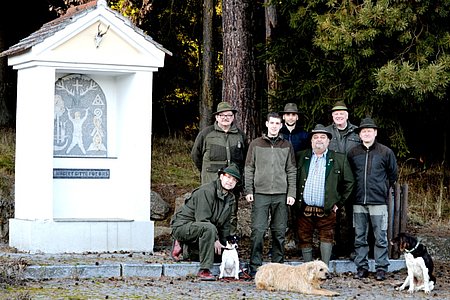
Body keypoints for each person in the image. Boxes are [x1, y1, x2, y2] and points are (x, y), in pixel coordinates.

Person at [244, 112, 297, 276]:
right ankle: (255, 266)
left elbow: (291, 170)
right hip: (261, 193)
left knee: (279, 232)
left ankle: (278, 267)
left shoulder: (286, 145)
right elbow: (249, 168)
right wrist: (249, 190)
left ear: (281, 126)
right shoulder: (255, 144)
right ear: (266, 124)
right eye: (272, 123)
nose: (274, 126)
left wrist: (292, 192)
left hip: (281, 194)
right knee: (258, 231)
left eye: (277, 123)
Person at [294, 124, 355, 266]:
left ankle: (324, 269)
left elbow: (349, 182)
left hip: (327, 209)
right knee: (304, 237)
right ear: (311, 141)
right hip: (304, 209)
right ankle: (308, 269)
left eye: (323, 137)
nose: (319, 140)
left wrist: (338, 203)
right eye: (315, 137)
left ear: (328, 141)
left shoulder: (339, 159)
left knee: (327, 237)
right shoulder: (301, 156)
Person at [170, 164, 241, 281]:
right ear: (221, 177)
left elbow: (225, 225)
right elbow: (202, 220)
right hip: (183, 227)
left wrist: (227, 247)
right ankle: (204, 270)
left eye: (234, 180)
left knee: (219, 256)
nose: (230, 181)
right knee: (208, 229)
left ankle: (186, 248)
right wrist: (215, 240)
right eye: (228, 177)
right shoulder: (206, 191)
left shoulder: (230, 198)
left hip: (204, 230)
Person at [348, 117, 398, 281]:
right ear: (360, 134)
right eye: (364, 131)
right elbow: (349, 175)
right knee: (360, 236)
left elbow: (393, 175)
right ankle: (361, 267)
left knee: (380, 237)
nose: (366, 134)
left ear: (375, 133)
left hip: (378, 202)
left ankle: (381, 268)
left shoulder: (385, 152)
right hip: (358, 201)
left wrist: (381, 189)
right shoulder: (353, 152)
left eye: (370, 131)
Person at [191, 101, 247, 235]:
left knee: (231, 213)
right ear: (216, 117)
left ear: (233, 117)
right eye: (222, 115)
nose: (225, 118)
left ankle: (229, 244)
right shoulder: (206, 134)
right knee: (209, 212)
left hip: (232, 184)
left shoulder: (240, 135)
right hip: (211, 183)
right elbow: (195, 155)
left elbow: (245, 158)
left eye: (228, 115)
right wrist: (206, 173)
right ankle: (209, 242)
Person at [325, 101, 361, 258]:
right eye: (336, 114)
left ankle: (353, 248)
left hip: (353, 180)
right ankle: (335, 247)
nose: (339, 116)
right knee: (333, 216)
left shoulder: (356, 133)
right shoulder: (326, 132)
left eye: (342, 114)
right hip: (332, 180)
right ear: (332, 116)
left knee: (353, 216)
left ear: (347, 115)